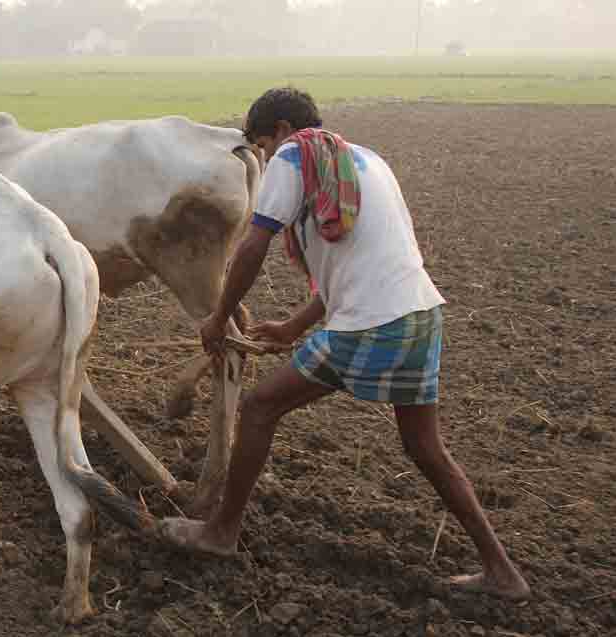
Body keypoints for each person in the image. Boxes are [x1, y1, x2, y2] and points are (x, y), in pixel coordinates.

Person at [161, 87, 530, 600]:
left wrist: (219, 316)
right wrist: (292, 327)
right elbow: (361, 265)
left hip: (370, 325)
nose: (266, 158)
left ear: (284, 131)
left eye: (263, 146)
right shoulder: (365, 161)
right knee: (425, 448)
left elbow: (253, 245)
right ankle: (502, 571)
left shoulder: (295, 154)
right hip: (419, 315)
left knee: (261, 406)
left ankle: (220, 532)